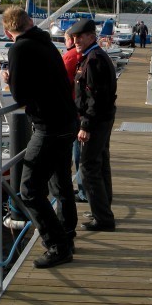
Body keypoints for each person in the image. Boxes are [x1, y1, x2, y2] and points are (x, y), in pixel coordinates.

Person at [1, 6, 78, 268]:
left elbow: (20, 95)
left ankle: (58, 245)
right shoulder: (47, 45)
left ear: (7, 30)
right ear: (30, 22)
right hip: (67, 120)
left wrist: (7, 79)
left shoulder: (19, 49)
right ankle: (67, 235)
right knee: (60, 183)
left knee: (30, 190)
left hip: (49, 125)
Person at [68, 18, 117, 232]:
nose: (76, 40)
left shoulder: (94, 60)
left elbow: (94, 97)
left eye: (81, 36)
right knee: (100, 162)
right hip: (102, 119)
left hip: (95, 122)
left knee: (88, 167)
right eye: (74, 37)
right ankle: (103, 209)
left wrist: (85, 126)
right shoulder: (92, 57)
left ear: (91, 36)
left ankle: (103, 218)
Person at [62, 31, 86, 203]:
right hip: (81, 110)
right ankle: (85, 189)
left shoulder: (70, 57)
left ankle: (83, 191)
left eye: (65, 39)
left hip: (76, 111)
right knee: (81, 153)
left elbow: (61, 82)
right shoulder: (83, 55)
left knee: (78, 154)